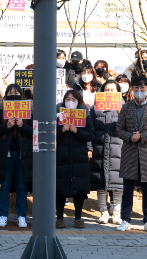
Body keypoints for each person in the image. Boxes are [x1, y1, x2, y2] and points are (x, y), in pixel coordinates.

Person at [115, 76, 147, 233]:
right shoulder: (126, 107)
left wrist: (141, 136)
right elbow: (119, 129)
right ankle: (125, 219)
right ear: (132, 89)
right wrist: (130, 136)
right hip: (129, 152)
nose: (139, 91)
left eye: (142, 88)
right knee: (127, 188)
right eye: (136, 88)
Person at [0, 84, 31, 228]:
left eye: (16, 92)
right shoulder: (0, 109)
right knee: (5, 186)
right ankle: (2, 215)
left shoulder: (29, 109)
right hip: (5, 154)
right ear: (6, 95)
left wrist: (22, 126)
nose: (14, 94)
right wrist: (6, 126)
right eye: (10, 92)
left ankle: (21, 216)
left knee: (21, 186)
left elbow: (34, 130)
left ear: (21, 94)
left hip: (22, 154)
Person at [55, 90, 94, 229]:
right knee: (59, 189)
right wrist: (62, 130)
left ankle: (78, 218)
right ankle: (59, 217)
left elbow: (90, 134)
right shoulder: (58, 115)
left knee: (80, 189)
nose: (70, 102)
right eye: (67, 99)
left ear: (79, 102)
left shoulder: (85, 117)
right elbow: (51, 133)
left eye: (74, 99)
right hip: (61, 156)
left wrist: (77, 131)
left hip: (79, 157)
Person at [90, 80, 124, 224]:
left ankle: (116, 213)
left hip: (119, 151)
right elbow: (90, 128)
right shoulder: (95, 108)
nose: (109, 93)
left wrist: (121, 114)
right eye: (107, 90)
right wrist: (90, 148)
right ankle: (103, 212)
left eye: (113, 90)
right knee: (100, 183)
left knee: (118, 184)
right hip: (100, 150)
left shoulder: (124, 107)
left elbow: (130, 127)